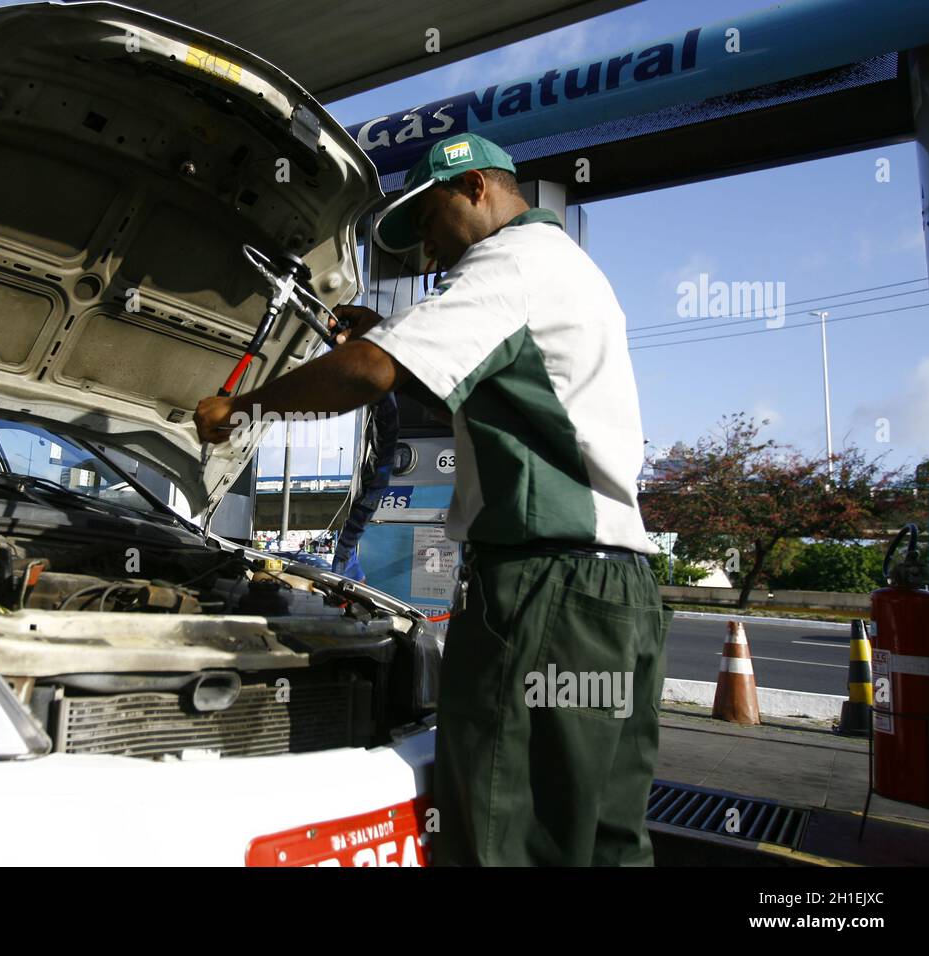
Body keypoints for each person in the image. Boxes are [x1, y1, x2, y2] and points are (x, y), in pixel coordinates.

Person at [195, 132, 672, 866]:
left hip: (544, 590)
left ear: (477, 187)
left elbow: (372, 373)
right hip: (618, 595)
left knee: (499, 827)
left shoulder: (509, 262)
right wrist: (389, 333)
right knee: (598, 832)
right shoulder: (568, 268)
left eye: (427, 222)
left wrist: (248, 407)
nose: (425, 254)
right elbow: (480, 373)